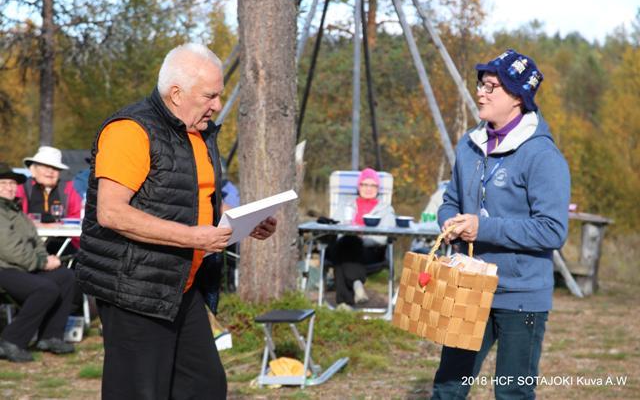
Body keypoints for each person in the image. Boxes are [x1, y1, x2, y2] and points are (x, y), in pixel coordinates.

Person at [74, 43, 277, 400]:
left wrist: (246, 220)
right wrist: (192, 238)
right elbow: (111, 212)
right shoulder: (130, 130)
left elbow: (196, 200)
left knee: (205, 385)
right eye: (210, 95)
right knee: (140, 391)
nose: (216, 105)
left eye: (219, 96)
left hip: (181, 287)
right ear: (176, 93)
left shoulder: (197, 132)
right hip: (133, 289)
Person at [430, 49, 570, 399]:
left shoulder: (542, 155)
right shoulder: (469, 145)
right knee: (448, 388)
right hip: (468, 286)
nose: (481, 92)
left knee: (512, 394)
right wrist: (450, 223)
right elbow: (450, 200)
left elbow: (553, 230)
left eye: (492, 86)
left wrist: (483, 228)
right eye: (481, 84)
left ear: (518, 98)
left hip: (521, 296)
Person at [0, 162, 76, 363]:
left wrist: (45, 258)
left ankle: (50, 337)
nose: (9, 187)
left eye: (11, 183)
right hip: (4, 268)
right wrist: (42, 263)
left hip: (21, 267)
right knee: (46, 288)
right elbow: (9, 250)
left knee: (67, 276)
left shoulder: (15, 210)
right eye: (4, 183)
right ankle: (11, 340)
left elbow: (35, 240)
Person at [327, 168, 395, 308]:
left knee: (345, 251)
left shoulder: (386, 209)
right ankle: (357, 283)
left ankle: (344, 303)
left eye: (373, 185)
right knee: (347, 242)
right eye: (365, 184)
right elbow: (335, 226)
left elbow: (384, 237)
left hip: (370, 251)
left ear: (378, 188)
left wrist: (362, 238)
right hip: (344, 245)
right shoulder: (345, 204)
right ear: (359, 187)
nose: (369, 188)